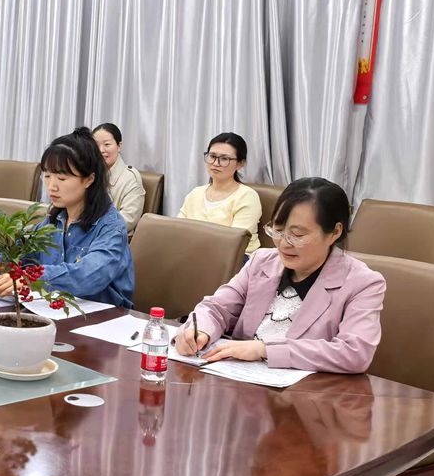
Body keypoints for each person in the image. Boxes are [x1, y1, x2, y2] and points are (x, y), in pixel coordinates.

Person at [176, 177, 385, 373]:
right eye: (277, 230)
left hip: (306, 394)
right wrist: (199, 331)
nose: (284, 243)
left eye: (297, 235)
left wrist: (264, 350)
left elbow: (355, 352)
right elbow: (216, 308)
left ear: (335, 232)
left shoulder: (363, 283)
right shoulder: (261, 261)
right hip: (238, 382)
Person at [0, 133, 134, 307]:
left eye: (62, 178)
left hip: (105, 316)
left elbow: (88, 275)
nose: (51, 186)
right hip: (57, 309)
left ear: (89, 179)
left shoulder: (111, 227)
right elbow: (26, 253)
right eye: (47, 176)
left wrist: (30, 277)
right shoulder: (56, 219)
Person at [176, 132, 262, 256]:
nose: (216, 163)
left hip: (235, 258)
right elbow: (178, 230)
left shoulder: (247, 196)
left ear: (240, 163)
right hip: (194, 254)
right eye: (212, 156)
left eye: (224, 159)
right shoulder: (196, 193)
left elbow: (234, 242)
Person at [89, 123, 144, 232]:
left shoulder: (130, 178)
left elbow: (127, 220)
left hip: (112, 237)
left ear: (119, 146)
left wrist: (93, 230)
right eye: (96, 145)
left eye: (107, 144)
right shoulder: (89, 173)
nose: (101, 150)